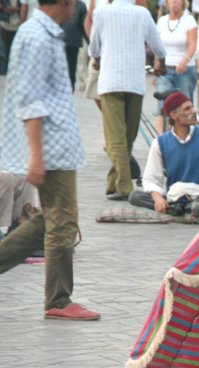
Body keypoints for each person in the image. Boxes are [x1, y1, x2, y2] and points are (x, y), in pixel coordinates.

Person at [0, 0, 101, 320]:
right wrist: (36, 156)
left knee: (56, 219)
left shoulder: (45, 33)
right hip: (49, 147)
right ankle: (58, 299)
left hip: (55, 145)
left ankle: (57, 297)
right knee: (63, 222)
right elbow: (30, 101)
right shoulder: (37, 38)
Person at [88, 0, 166, 200]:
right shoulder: (142, 13)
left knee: (117, 138)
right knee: (128, 136)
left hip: (111, 82)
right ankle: (124, 186)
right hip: (134, 82)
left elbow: (94, 45)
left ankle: (113, 182)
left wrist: (96, 60)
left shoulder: (102, 12)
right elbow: (157, 43)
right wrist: (162, 61)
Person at [130, 92, 199, 219]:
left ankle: (181, 210)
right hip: (175, 196)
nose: (194, 111)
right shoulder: (160, 143)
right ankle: (187, 210)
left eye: (192, 107)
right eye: (187, 108)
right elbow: (150, 179)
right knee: (135, 196)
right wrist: (158, 199)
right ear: (174, 115)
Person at [156, 0, 198, 129]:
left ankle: (186, 137)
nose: (174, 3)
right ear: (167, 3)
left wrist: (184, 60)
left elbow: (192, 44)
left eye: (177, 0)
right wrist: (157, 66)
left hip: (184, 69)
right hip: (165, 68)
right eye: (171, 0)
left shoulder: (189, 20)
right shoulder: (162, 21)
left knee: (184, 106)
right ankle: (162, 139)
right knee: (162, 106)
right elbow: (157, 46)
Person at [0, 0, 22, 76]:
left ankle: (13, 69)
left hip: (18, 24)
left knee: (15, 49)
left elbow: (25, 6)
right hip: (4, 23)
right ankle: (4, 70)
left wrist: (16, 9)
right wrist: (6, 8)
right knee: (4, 49)